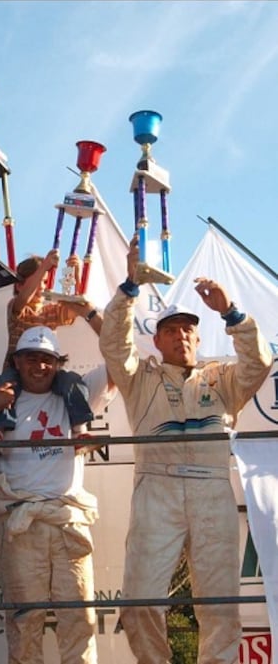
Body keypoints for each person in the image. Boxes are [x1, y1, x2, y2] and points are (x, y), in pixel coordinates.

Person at [98, 236, 272, 664]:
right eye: (171, 331)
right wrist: (129, 287)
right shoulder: (140, 380)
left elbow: (260, 363)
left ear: (198, 338)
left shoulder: (221, 380)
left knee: (220, 608)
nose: (182, 337)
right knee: (139, 605)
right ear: (156, 341)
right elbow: (113, 344)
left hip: (212, 490)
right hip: (157, 488)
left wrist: (231, 312)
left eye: (189, 330)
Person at [0, 326, 115, 664]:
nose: (39, 366)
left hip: (68, 521)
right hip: (21, 524)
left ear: (58, 363)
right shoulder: (1, 399)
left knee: (80, 619)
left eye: (47, 360)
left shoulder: (76, 392)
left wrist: (92, 315)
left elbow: (119, 359)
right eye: (31, 358)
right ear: (17, 362)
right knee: (25, 622)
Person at [0, 249, 104, 437]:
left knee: (73, 382)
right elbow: (24, 298)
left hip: (48, 372)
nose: (42, 286)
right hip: (16, 372)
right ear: (19, 285)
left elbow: (76, 306)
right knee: (4, 387)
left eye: (45, 281)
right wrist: (44, 267)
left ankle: (78, 429)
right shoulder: (16, 307)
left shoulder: (51, 311)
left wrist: (75, 273)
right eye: (38, 280)